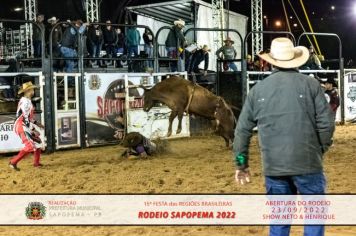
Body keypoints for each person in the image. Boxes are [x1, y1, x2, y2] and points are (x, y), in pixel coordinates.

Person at [233, 37, 335, 236]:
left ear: (272, 61)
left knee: (279, 219)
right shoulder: (311, 85)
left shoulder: (258, 91)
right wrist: (319, 150)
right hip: (308, 163)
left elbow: (242, 131)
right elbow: (326, 124)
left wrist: (241, 164)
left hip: (274, 166)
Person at [9, 81, 45, 171]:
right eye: (32, 89)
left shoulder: (26, 101)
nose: (33, 90)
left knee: (38, 143)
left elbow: (27, 118)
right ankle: (13, 162)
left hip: (24, 124)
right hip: (21, 125)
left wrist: (37, 124)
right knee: (30, 146)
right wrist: (33, 129)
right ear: (28, 91)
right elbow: (25, 118)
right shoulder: (26, 102)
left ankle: (36, 163)